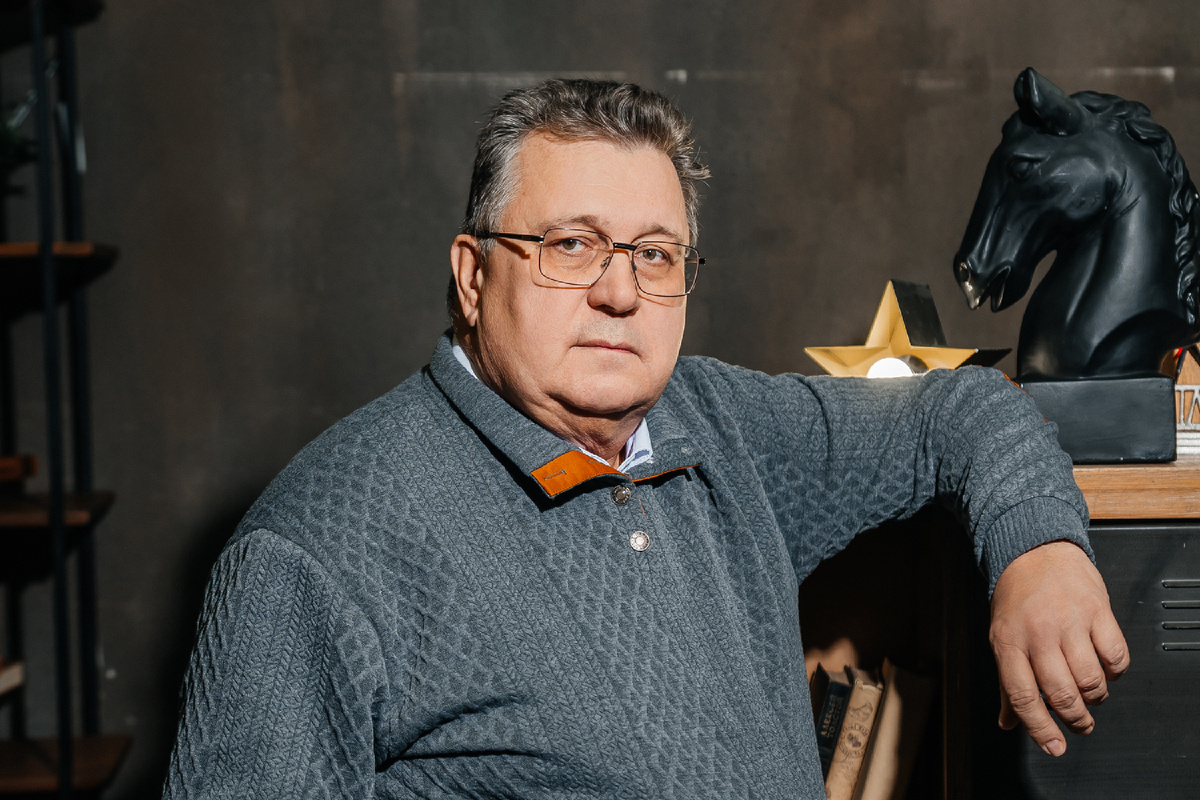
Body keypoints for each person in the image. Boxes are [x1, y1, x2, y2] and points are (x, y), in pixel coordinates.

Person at [164, 79, 1128, 799]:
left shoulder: (723, 425)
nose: (620, 292)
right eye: (571, 245)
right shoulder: (312, 555)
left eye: (656, 254)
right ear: (472, 276)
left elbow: (959, 410)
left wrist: (1039, 551)